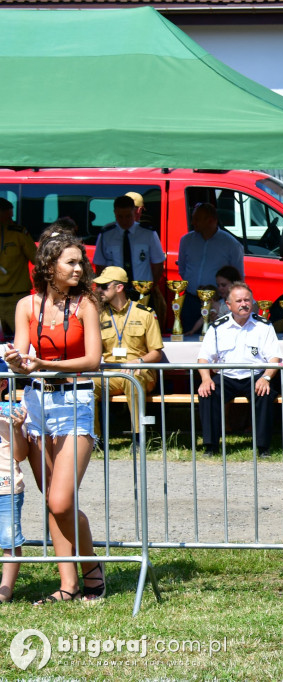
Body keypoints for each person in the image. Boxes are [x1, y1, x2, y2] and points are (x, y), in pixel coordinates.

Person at [4, 231, 104, 603]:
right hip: (35, 405)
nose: (79, 268)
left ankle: (91, 566)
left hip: (74, 403)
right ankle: (68, 585)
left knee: (61, 501)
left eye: (81, 262)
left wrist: (46, 363)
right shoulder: (27, 305)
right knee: (51, 500)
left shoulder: (87, 304)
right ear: (49, 266)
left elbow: (93, 361)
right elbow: (23, 363)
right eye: (71, 262)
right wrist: (17, 362)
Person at [197, 282, 281, 458]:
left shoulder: (264, 326)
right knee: (208, 393)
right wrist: (206, 379)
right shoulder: (217, 327)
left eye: (247, 300)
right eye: (239, 300)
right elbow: (204, 357)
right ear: (228, 305)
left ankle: (263, 447)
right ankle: (211, 446)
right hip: (226, 376)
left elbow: (275, 358)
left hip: (255, 375)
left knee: (265, 393)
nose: (244, 304)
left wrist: (266, 378)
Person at [92, 266, 164, 441]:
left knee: (133, 380)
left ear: (119, 287)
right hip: (111, 372)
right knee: (87, 385)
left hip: (140, 371)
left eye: (104, 286)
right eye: (98, 286)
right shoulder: (98, 315)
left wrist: (137, 362)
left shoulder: (145, 314)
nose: (98, 290)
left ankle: (139, 436)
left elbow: (156, 353)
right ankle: (94, 438)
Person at [177, 202, 245, 334]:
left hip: (217, 302)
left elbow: (238, 276)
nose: (193, 222)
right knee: (186, 338)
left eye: (197, 219)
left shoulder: (230, 244)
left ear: (211, 220)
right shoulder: (186, 240)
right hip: (191, 299)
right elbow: (182, 269)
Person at [93, 195, 165, 287]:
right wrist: (102, 288)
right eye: (120, 216)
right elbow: (100, 265)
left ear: (134, 212)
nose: (124, 221)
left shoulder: (148, 234)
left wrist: (151, 287)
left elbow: (158, 264)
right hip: (115, 289)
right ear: (115, 213)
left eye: (128, 216)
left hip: (141, 288)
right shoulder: (106, 235)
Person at [0, 393, 28, 603]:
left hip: (6, 488)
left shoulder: (13, 413)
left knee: (10, 540)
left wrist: (17, 428)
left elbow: (20, 455)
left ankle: (5, 591)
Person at [0, 199, 37, 340]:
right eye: (8, 217)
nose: (11, 221)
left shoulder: (18, 233)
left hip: (16, 299)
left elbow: (36, 259)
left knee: (23, 340)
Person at [186, 264, 241, 335]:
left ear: (235, 283)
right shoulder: (216, 303)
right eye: (218, 285)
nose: (220, 288)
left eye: (223, 285)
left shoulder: (247, 304)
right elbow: (202, 319)